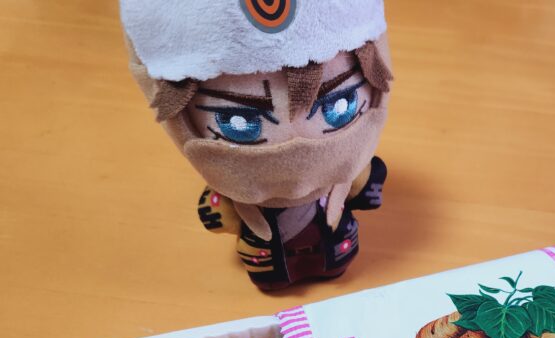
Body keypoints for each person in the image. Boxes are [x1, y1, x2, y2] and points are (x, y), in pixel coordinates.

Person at [121, 0, 393, 290]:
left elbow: (366, 184)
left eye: (340, 104)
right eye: (236, 121)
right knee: (272, 277)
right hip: (269, 255)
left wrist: (366, 182)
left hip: (333, 242)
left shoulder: (339, 180)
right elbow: (217, 217)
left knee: (332, 263)